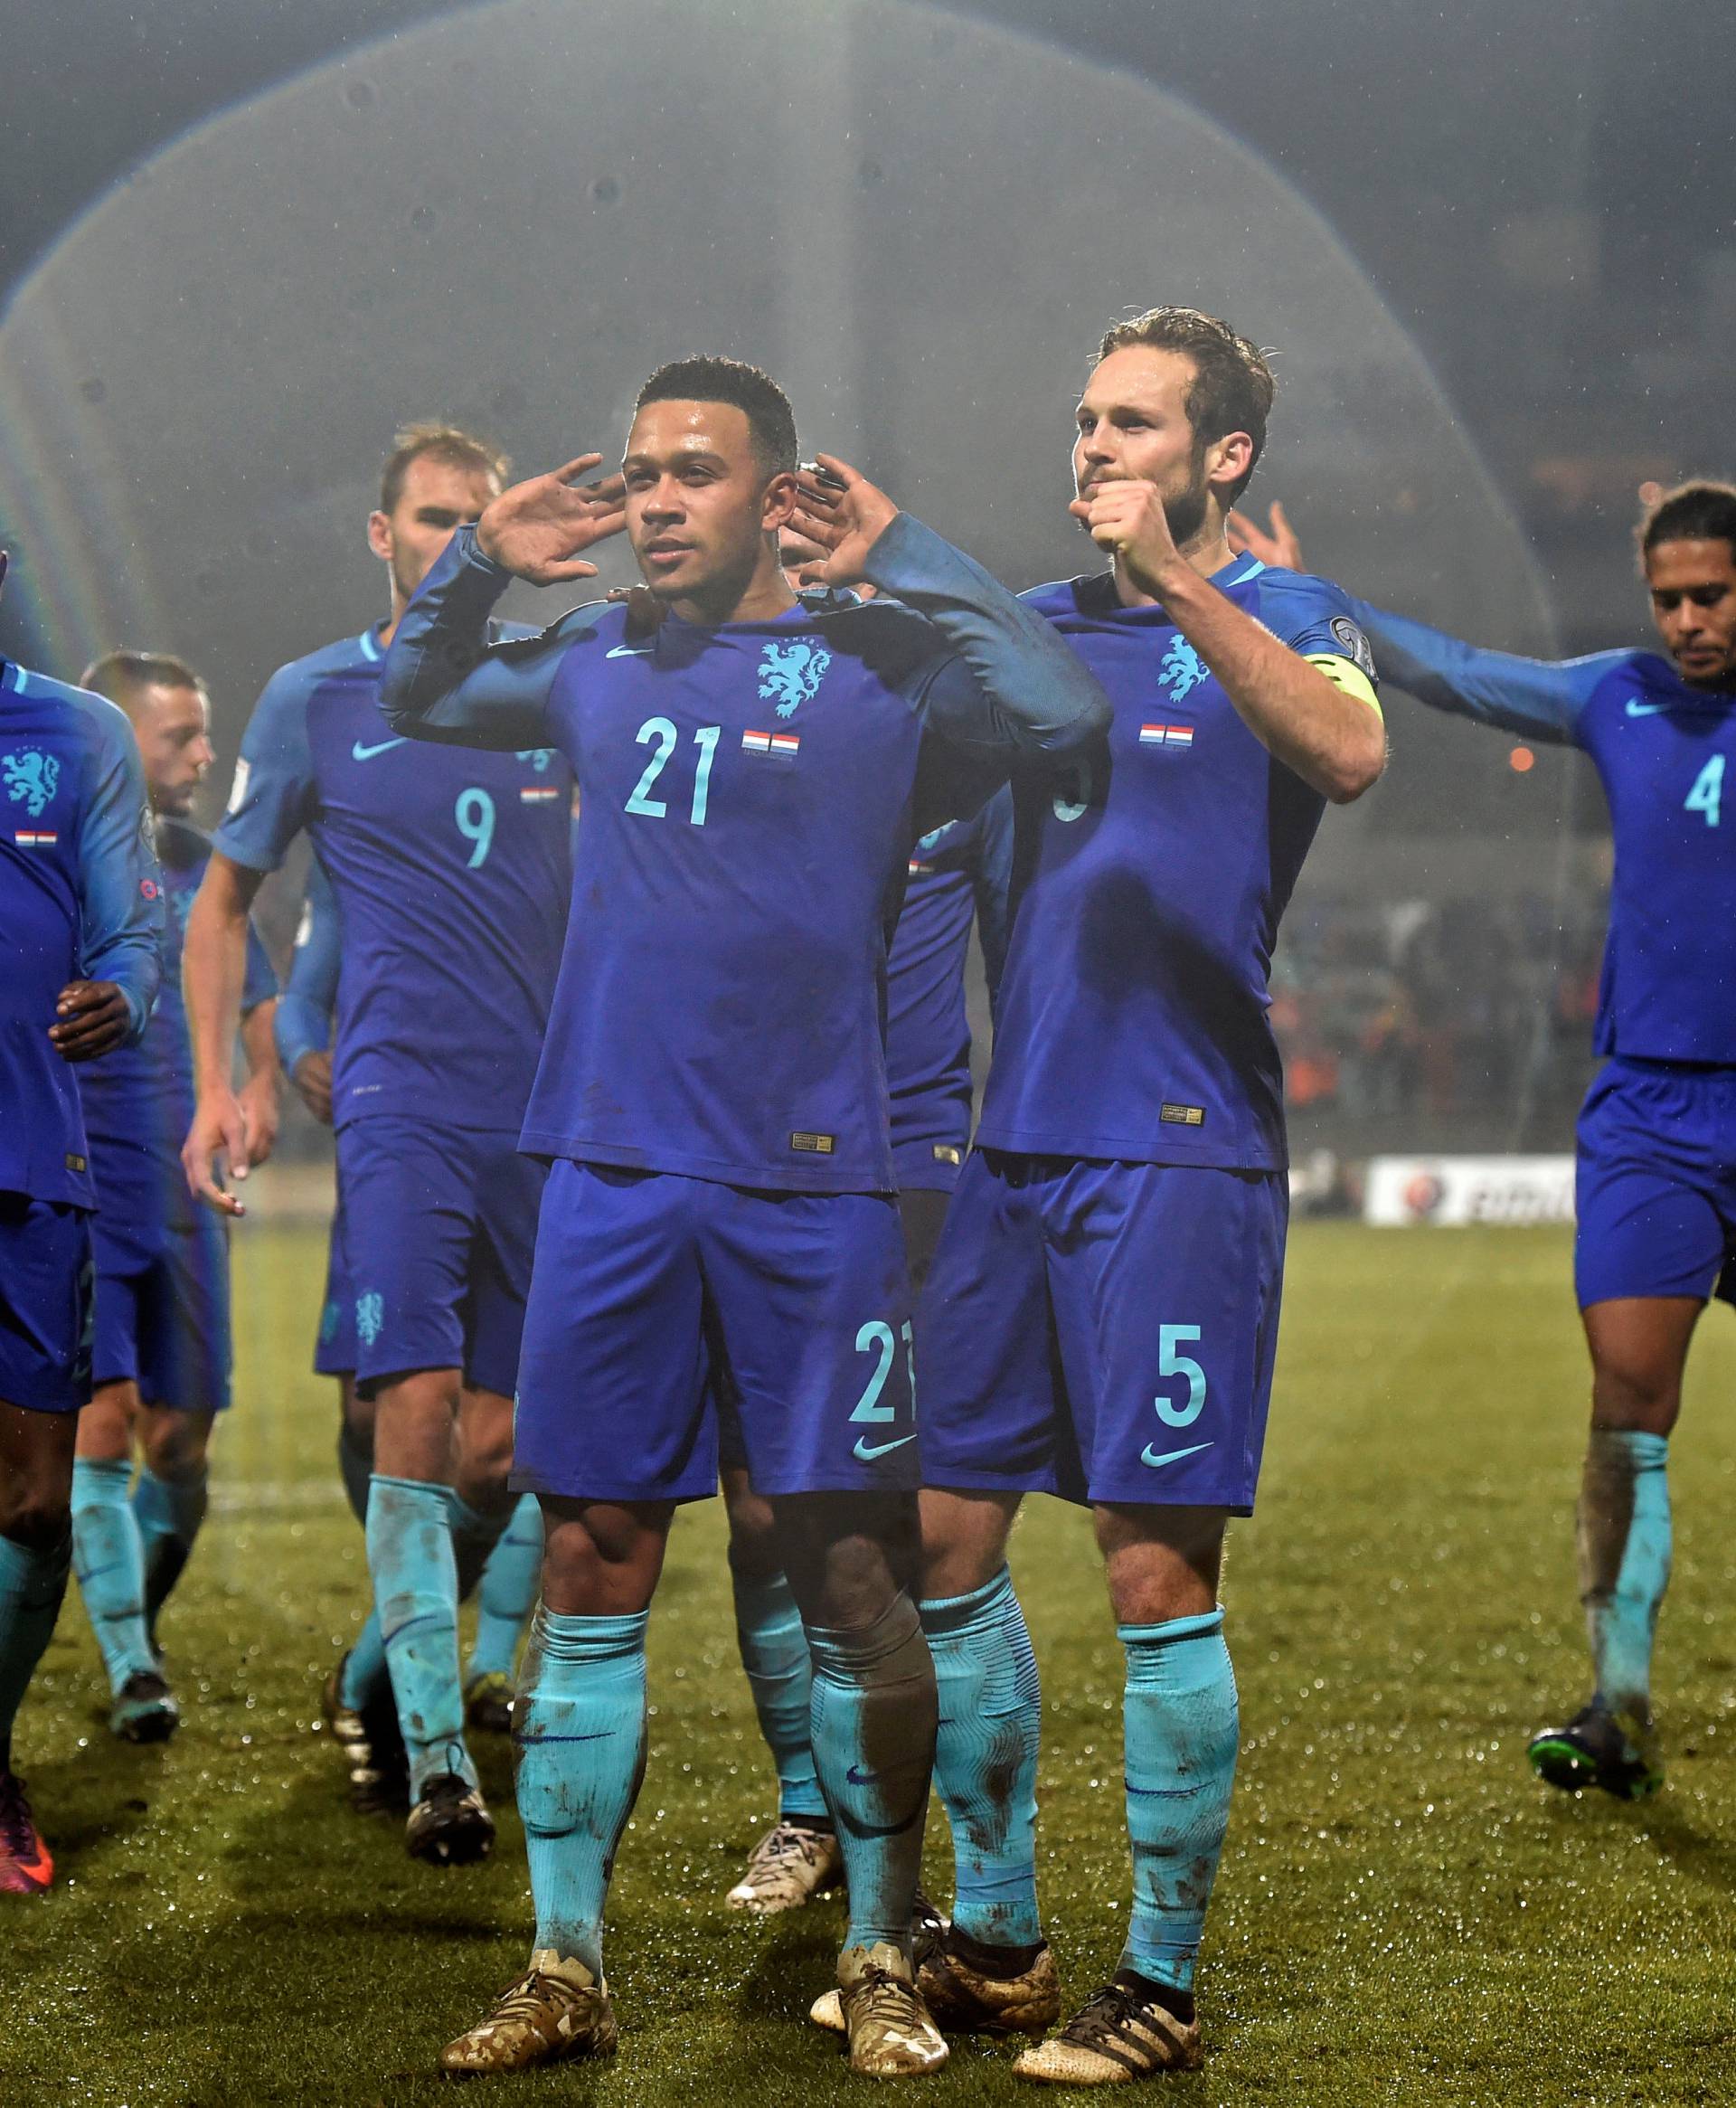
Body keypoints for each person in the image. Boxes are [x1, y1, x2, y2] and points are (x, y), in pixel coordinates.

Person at [376, 354, 1110, 2077]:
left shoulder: (877, 672)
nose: (653, 502)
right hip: (615, 1180)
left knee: (848, 1568)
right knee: (589, 1558)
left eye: (691, 472)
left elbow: (1065, 716)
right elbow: (417, 691)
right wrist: (480, 551)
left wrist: (908, 549)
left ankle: (875, 1942)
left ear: (775, 493)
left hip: (815, 1191)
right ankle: (566, 1967)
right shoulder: (588, 667)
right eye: (640, 474)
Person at [862, 308, 1384, 2084]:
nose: (1093, 445)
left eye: (1135, 422)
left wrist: (1181, 587)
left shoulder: (1287, 621)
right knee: (942, 1531)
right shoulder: (1027, 640)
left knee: (1152, 1564)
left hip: (1179, 1145)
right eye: (1084, 418)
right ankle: (1001, 1937)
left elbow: (1348, 750)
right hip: (1016, 1147)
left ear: (1222, 454)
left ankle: (1157, 1981)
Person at [1230, 478, 1736, 1805]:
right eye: (1669, 596)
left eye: (1712, 595)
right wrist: (1317, 602)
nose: (1686, 619)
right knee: (1627, 1407)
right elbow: (1453, 673)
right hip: (1652, 1117)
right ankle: (1619, 1700)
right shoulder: (1622, 697)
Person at [182, 424, 573, 1867]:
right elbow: (226, 902)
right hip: (403, 1103)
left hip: (543, 1107)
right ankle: (437, 1767)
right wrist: (232, 1077)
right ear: (381, 532)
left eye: (480, 517)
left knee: (507, 1449)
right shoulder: (316, 695)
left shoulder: (553, 686)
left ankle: (368, 1675)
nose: (455, 536)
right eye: (431, 517)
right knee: (409, 1414)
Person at [722, 768, 1012, 1914]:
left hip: (909, 1161)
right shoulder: (731, 721)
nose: (807, 574)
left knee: (903, 1521)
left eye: (819, 563)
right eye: (789, 564)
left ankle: (916, 1852)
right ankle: (808, 1810)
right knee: (755, 1514)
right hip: (746, 1143)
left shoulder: (957, 750)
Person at [275, 848, 548, 1808]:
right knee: (377, 1420)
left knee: (493, 1454)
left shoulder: (545, 790)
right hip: (401, 1146)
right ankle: (420, 1688)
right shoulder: (376, 833)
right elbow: (307, 990)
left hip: (519, 1148)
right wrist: (301, 1052)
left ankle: (378, 1678)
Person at [69, 651, 279, 1744]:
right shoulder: (60, 860)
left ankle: (126, 1618)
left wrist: (256, 1086)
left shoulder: (211, 872)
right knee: (100, 1426)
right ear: (117, 742)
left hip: (191, 1192)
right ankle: (133, 1666)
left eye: (204, 736)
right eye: (181, 739)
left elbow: (256, 1010)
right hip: (84, 1185)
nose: (204, 756)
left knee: (182, 1442)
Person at [0, 561, 164, 1893]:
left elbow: (134, 932)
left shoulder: (77, 734)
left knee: (37, 1500)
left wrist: (120, 984)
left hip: (28, 1161)